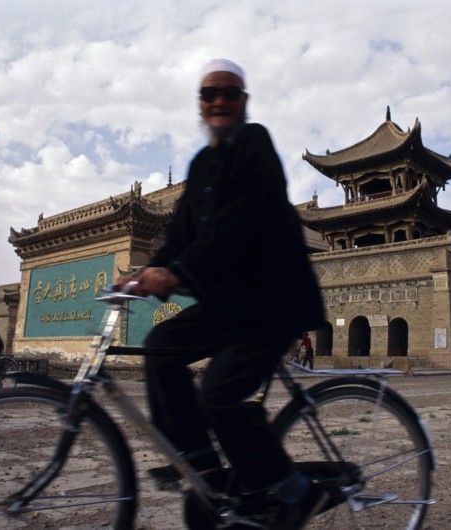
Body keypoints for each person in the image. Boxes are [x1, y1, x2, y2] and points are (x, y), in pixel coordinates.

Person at [117, 58, 327, 528]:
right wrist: (143, 272)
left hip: (274, 303)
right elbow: (179, 234)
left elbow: (240, 222)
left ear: (243, 101)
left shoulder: (255, 144)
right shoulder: (202, 163)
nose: (217, 101)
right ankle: (203, 468)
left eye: (228, 93)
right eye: (208, 94)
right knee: (160, 349)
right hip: (229, 305)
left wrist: (177, 275)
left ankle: (294, 489)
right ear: (199, 103)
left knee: (219, 395)